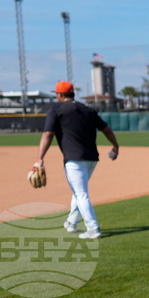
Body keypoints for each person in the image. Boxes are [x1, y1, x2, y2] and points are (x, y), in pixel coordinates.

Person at [35, 81, 120, 239]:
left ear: (60, 95)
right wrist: (115, 146)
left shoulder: (56, 109)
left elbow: (47, 134)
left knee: (81, 193)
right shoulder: (88, 109)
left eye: (56, 94)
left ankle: (93, 228)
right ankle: (72, 222)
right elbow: (106, 129)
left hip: (74, 159)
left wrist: (39, 158)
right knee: (79, 191)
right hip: (92, 159)